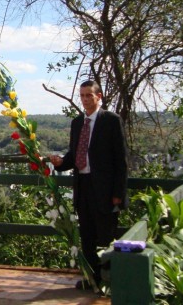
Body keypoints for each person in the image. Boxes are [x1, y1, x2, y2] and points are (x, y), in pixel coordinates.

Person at [48, 80, 128, 290]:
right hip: (83, 186)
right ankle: (92, 280)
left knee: (106, 235)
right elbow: (75, 155)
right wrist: (60, 163)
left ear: (98, 96)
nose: (85, 100)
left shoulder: (111, 120)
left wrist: (118, 193)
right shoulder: (77, 123)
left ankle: (111, 281)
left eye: (88, 95)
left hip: (105, 189)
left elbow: (121, 160)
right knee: (88, 237)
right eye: (82, 96)